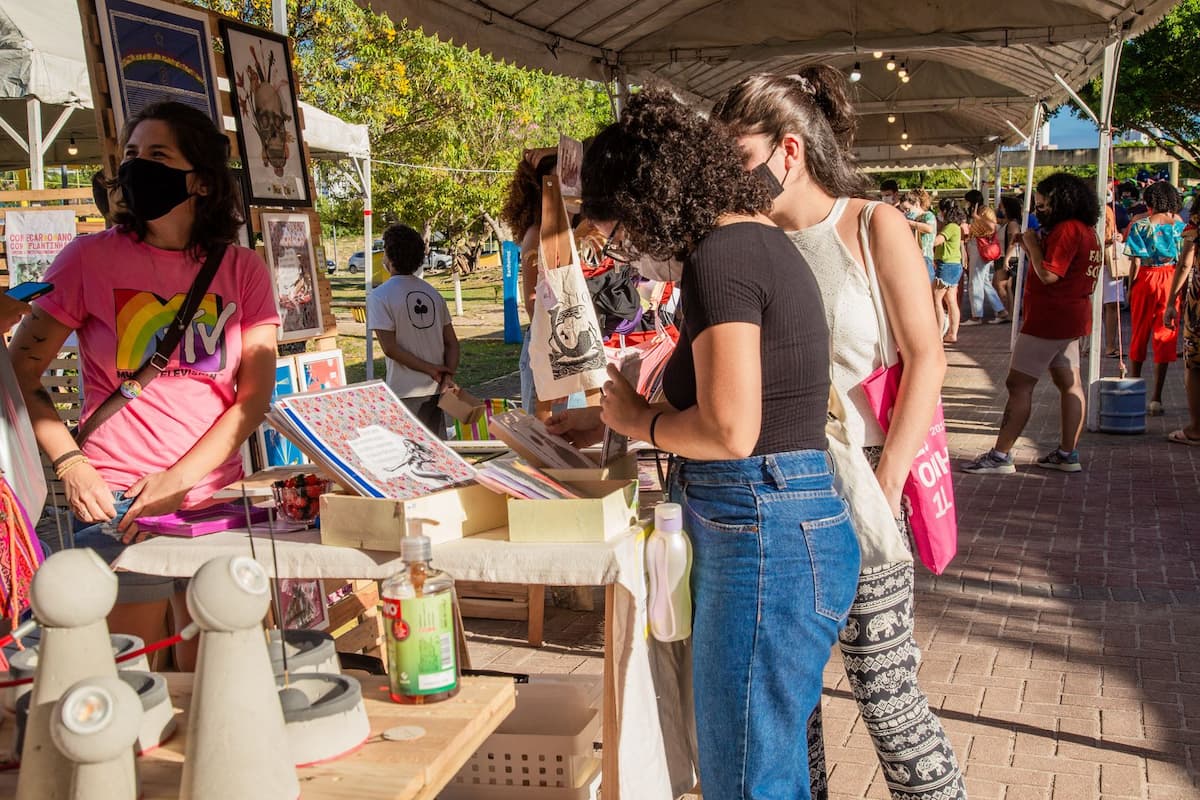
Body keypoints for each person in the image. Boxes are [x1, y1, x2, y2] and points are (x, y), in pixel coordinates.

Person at [548, 89, 859, 800]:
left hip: (760, 529)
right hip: (772, 520)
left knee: (747, 778)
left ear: (653, 200)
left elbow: (730, 429)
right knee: (758, 768)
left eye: (624, 229)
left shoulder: (722, 258)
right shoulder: (751, 245)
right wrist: (621, 418)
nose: (627, 251)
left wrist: (636, 423)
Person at [712, 68, 965, 800]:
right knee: (791, 711)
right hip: (778, 499)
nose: (734, 175)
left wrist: (885, 489)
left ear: (787, 150)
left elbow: (926, 359)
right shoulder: (743, 242)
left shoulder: (870, 224)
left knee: (888, 701)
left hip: (864, 492)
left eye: (740, 156)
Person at [10, 101, 279, 666]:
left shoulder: (243, 270)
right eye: (131, 155)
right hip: (120, 505)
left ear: (202, 181)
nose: (137, 167)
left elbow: (252, 397)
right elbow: (19, 372)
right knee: (129, 678)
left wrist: (182, 479)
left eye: (158, 155)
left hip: (214, 501)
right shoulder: (89, 258)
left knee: (224, 675)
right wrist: (71, 464)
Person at [962, 173, 1102, 475]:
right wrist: (1033, 245)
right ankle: (1067, 452)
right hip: (1071, 316)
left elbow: (1050, 274)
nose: (1039, 211)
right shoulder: (1088, 230)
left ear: (1059, 203)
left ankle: (1000, 455)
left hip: (1049, 318)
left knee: (1019, 384)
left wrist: (1032, 246)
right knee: (1069, 384)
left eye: (1042, 206)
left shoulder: (1067, 230)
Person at [366, 223, 460, 437]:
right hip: (437, 391)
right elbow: (452, 343)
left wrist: (431, 369)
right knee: (437, 455)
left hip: (404, 391)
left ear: (388, 256)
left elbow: (389, 348)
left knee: (410, 457)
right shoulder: (434, 294)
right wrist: (447, 375)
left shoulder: (380, 297)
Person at [500, 150, 558, 416]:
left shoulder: (570, 234)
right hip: (548, 347)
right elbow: (533, 305)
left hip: (563, 345)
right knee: (545, 437)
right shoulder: (537, 235)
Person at [1123, 181, 1185, 415]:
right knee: (1165, 334)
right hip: (1171, 278)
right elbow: (1184, 260)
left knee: (1139, 332)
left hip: (1146, 278)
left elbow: (1135, 261)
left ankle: (1133, 389)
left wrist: (1130, 286)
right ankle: (1157, 398)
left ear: (1149, 202)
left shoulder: (1140, 225)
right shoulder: (1180, 226)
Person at [1165, 192, 1200, 443]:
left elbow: (1185, 263)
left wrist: (1171, 302)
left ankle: (1196, 429)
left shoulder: (1196, 221)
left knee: (1195, 365)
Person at [964, 206, 1008, 325]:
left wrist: (977, 217)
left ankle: (977, 315)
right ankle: (1000, 310)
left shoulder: (984, 221)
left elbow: (991, 226)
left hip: (979, 251)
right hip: (983, 251)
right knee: (984, 282)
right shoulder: (988, 221)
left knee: (975, 281)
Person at [933, 200, 967, 343]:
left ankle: (939, 334)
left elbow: (936, 241)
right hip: (954, 265)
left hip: (946, 265)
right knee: (951, 300)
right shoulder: (956, 227)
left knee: (936, 298)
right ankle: (952, 333)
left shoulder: (950, 227)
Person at [899, 188, 937, 282]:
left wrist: (910, 223)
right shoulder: (910, 219)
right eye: (903, 210)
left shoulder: (927, 215)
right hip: (912, 257)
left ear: (916, 204)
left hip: (925, 257)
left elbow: (929, 228)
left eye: (907, 209)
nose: (906, 213)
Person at [995, 195, 1024, 313]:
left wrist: (1006, 259)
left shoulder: (1012, 224)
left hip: (1009, 257)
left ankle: (1009, 311)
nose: (1000, 209)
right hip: (1004, 256)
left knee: (1003, 285)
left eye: (1002, 206)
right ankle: (1008, 311)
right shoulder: (1007, 223)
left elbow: (1013, 241)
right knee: (1003, 285)